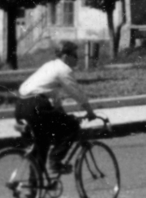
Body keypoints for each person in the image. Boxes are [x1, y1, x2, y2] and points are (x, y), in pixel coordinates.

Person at [14, 40, 98, 178]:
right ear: (66, 56)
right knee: (72, 127)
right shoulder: (63, 69)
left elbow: (56, 102)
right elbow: (77, 93)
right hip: (36, 106)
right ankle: (55, 162)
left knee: (41, 145)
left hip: (21, 105)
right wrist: (90, 112)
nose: (77, 58)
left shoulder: (50, 66)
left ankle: (35, 191)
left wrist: (64, 117)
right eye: (75, 55)